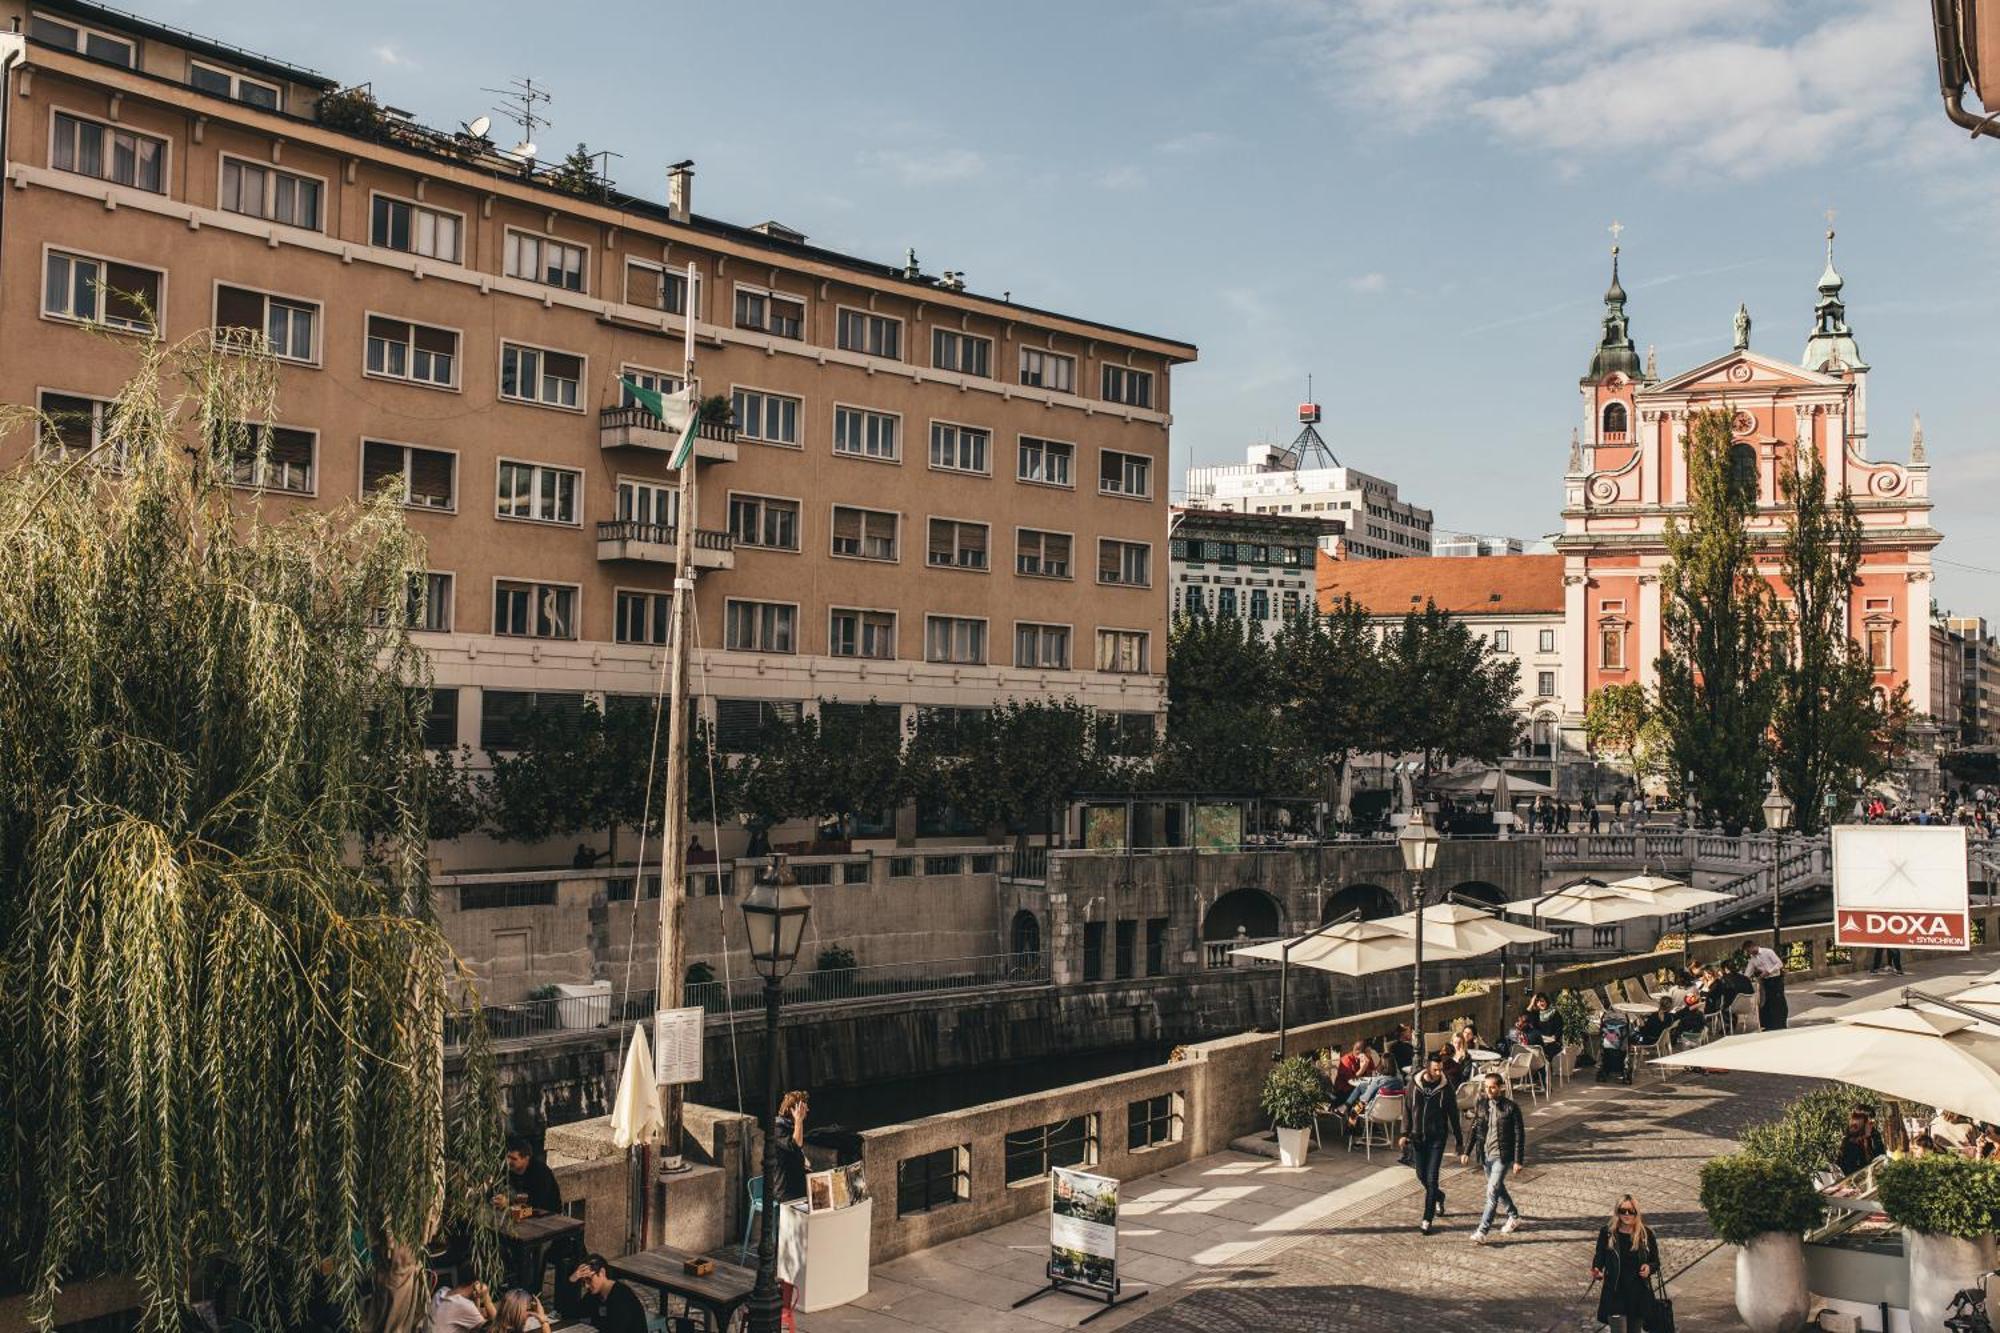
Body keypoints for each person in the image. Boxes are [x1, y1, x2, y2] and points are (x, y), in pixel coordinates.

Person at [1399, 1050, 1463, 1235]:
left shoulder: (1446, 1087)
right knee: (1421, 1175)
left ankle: (1427, 1218)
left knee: (1432, 1177)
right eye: (1435, 1069)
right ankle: (1439, 1196)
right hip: (1418, 1137)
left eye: (1440, 1069)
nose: (1438, 1073)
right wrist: (1404, 1133)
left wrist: (1459, 1140)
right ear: (1428, 1067)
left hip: (1437, 1137)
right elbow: (1407, 1109)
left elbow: (1453, 1114)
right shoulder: (1414, 1084)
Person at [1465, 1071, 1526, 1243]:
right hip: (1485, 1156)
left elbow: (1519, 1134)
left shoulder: (1511, 1107)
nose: (1489, 1091)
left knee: (1491, 1193)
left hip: (1502, 1157)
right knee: (1498, 1190)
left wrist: (1518, 1160)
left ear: (1500, 1088)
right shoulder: (1482, 1105)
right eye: (1486, 1088)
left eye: (1492, 1087)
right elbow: (1475, 1128)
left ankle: (1482, 1231)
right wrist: (1466, 1151)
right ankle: (1514, 1216)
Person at [1592, 1195, 1661, 1332]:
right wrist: (1597, 1269)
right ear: (1617, 1212)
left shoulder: (1646, 1234)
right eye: (1623, 1211)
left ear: (1637, 1212)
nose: (1627, 1214)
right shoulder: (1607, 1233)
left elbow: (1656, 1261)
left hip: (1638, 1295)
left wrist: (1649, 1268)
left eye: (1631, 1211)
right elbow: (1600, 1256)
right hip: (1615, 1294)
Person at [570, 1256, 647, 1333]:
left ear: (602, 1272)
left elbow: (616, 1329)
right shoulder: (594, 1294)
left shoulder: (621, 1297)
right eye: (583, 1282)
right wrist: (573, 1279)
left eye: (589, 1279)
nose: (586, 1286)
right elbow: (573, 1312)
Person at [501, 1136, 563, 1214]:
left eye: (514, 1159)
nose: (509, 1162)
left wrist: (512, 1208)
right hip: (522, 1211)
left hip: (545, 1214)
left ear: (526, 1158)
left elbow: (538, 1204)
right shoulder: (508, 1170)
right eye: (508, 1157)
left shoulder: (540, 1172)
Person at [1744, 942, 1788, 1031]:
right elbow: (1748, 973)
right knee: (1766, 1003)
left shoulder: (1768, 952)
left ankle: (1781, 1024)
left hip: (1775, 979)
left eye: (1749, 951)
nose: (1750, 953)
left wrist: (1769, 971)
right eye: (1748, 952)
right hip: (1765, 981)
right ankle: (1769, 1025)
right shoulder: (1752, 960)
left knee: (1778, 1002)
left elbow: (1779, 964)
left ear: (1753, 946)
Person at [776, 1090, 811, 1201]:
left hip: (798, 1183)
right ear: (793, 1110)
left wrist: (803, 1158)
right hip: (786, 1190)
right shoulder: (777, 1129)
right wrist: (799, 1120)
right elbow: (796, 1145)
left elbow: (796, 1151)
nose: (807, 1110)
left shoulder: (790, 1127)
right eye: (804, 1108)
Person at [1836, 1106, 1886, 1177]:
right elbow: (1851, 1172)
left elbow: (1881, 1156)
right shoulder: (1850, 1144)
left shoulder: (1874, 1135)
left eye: (1873, 1123)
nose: (1872, 1126)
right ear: (1861, 1123)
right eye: (1870, 1123)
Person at [429, 1278, 493, 1333]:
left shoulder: (441, 1291)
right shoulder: (464, 1305)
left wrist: (477, 1299)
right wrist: (486, 1298)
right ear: (476, 1284)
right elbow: (496, 1327)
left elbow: (474, 1323)